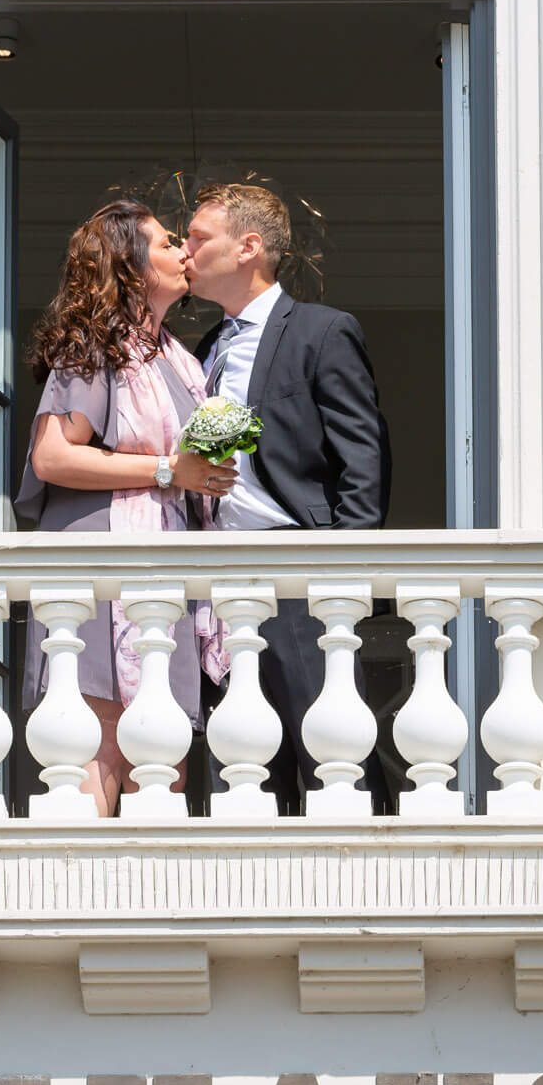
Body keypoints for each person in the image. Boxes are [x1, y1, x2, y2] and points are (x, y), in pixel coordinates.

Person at [15, 199, 233, 816]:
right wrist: (170, 470)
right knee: (103, 748)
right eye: (168, 243)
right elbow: (51, 458)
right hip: (102, 578)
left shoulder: (180, 361)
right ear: (131, 268)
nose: (184, 253)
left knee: (161, 756)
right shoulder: (96, 346)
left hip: (163, 573)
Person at [183, 182, 391, 812]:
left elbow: (364, 458)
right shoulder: (205, 350)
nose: (185, 251)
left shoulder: (322, 332)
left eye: (197, 237)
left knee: (332, 751)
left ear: (248, 247)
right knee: (243, 764)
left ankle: (371, 892)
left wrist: (340, 574)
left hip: (298, 572)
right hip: (219, 581)